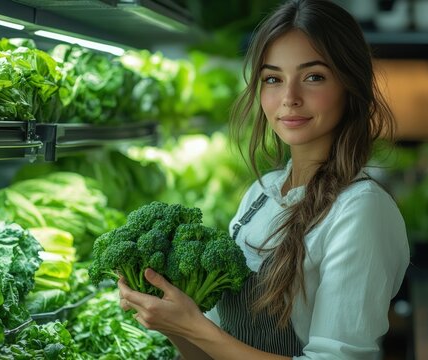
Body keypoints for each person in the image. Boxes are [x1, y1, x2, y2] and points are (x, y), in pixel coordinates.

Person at [118, 0, 410, 358]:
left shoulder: (360, 210)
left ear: (351, 85)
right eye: (273, 79)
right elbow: (213, 351)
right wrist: (171, 321)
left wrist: (194, 326)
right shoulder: (261, 194)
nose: (289, 98)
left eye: (313, 77)